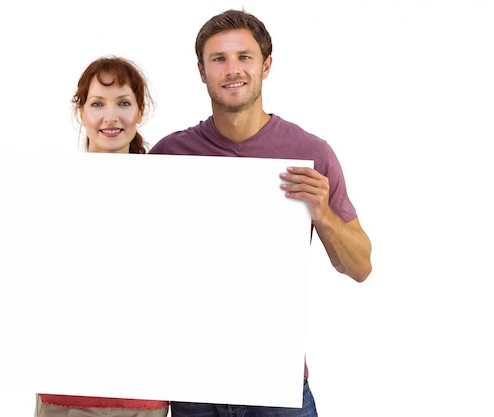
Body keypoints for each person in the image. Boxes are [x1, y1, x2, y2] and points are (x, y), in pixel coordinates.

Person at [148, 9, 373, 417]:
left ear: (266, 65)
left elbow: (360, 267)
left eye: (244, 57)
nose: (232, 70)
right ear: (201, 71)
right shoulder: (168, 155)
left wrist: (322, 213)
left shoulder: (312, 153)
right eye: (218, 59)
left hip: (278, 383)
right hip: (194, 385)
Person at [0, 56, 169, 417]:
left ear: (141, 112)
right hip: (64, 399)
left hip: (143, 400)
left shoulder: (172, 193)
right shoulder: (44, 191)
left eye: (124, 103)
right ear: (81, 113)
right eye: (97, 104)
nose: (111, 116)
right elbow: (8, 279)